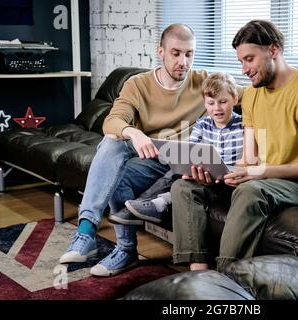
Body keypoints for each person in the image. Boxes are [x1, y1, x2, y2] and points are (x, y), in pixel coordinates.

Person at [170, 20, 298, 272]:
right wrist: (218, 174)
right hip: (262, 177)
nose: (244, 69)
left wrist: (259, 172)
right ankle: (199, 270)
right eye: (241, 61)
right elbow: (250, 158)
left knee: (252, 191)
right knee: (184, 187)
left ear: (273, 50)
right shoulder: (252, 94)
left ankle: (227, 275)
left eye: (249, 59)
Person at [59, 23, 209, 277]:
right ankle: (96, 236)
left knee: (115, 161)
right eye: (176, 53)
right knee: (112, 146)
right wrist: (134, 132)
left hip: (185, 160)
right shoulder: (137, 84)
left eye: (189, 53)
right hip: (151, 157)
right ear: (160, 51)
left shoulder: (203, 82)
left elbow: (246, 96)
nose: (183, 61)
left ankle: (112, 244)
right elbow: (112, 121)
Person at [117, 72, 244, 224]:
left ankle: (142, 207)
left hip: (228, 181)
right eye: (211, 103)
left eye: (223, 102)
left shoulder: (243, 125)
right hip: (205, 174)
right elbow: (189, 151)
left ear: (235, 99)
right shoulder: (202, 124)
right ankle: (151, 204)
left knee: (181, 181)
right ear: (204, 103)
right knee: (177, 173)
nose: (217, 108)